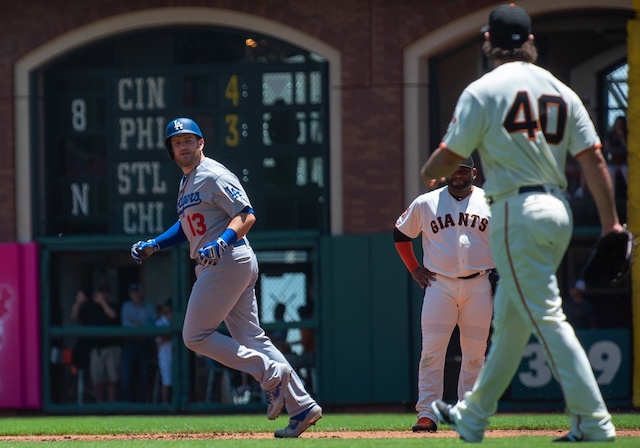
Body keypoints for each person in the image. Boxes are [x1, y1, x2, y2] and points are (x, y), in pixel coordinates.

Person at [422, 4, 621, 442]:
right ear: (530, 41)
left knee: (546, 316)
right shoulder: (562, 90)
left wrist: (428, 173)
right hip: (557, 211)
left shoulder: (484, 89)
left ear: (489, 41)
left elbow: (447, 158)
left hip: (517, 210)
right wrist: (612, 225)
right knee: (511, 322)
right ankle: (473, 417)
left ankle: (595, 422)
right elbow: (594, 159)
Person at [130, 117, 321, 438]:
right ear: (171, 151)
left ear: (201, 143)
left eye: (189, 140)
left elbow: (246, 214)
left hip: (226, 259)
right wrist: (156, 244)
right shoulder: (188, 182)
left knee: (195, 336)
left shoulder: (213, 174)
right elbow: (189, 226)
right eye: (177, 143)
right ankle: (301, 406)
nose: (184, 146)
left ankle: (270, 374)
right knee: (252, 338)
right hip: (225, 263)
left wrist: (223, 241)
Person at [393, 157, 495, 433]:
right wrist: (414, 268)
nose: (458, 175)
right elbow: (401, 234)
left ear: (473, 172)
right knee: (432, 353)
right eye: (453, 170)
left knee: (475, 354)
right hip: (440, 285)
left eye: (463, 170)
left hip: (479, 284)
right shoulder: (426, 202)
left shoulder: (490, 202)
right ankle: (427, 413)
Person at [70, 286, 121, 402]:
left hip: (112, 347)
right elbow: (74, 316)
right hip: (95, 349)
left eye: (105, 292)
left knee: (112, 379)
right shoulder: (89, 307)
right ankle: (100, 406)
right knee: (97, 379)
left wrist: (103, 303)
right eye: (100, 292)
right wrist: (78, 302)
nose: (103, 295)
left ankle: (112, 406)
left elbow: (113, 315)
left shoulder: (113, 306)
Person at [120, 283, 157, 402]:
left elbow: (153, 325)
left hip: (145, 344)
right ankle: (127, 405)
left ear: (141, 292)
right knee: (127, 375)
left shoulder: (149, 307)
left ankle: (144, 404)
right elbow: (126, 325)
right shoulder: (126, 306)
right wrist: (141, 325)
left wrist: (139, 324)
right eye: (132, 292)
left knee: (144, 375)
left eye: (137, 291)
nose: (135, 294)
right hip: (130, 343)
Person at [602, 115, 627, 192]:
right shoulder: (611, 134)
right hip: (613, 161)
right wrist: (618, 150)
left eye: (621, 124)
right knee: (610, 171)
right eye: (618, 124)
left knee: (626, 170)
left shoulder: (627, 134)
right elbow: (607, 147)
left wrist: (622, 137)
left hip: (625, 162)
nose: (619, 126)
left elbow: (628, 148)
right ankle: (612, 193)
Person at [155, 299, 173, 403]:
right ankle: (166, 406)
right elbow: (158, 340)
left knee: (177, 381)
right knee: (166, 382)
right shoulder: (160, 322)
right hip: (164, 356)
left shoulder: (177, 321)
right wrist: (170, 335)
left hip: (175, 355)